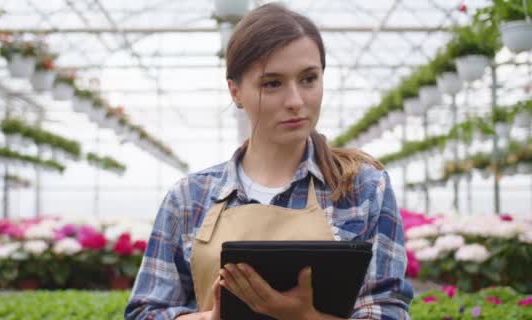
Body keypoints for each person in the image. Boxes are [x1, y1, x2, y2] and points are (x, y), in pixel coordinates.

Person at [124, 3, 413, 320]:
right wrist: (211, 318)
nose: (295, 101)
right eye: (272, 83)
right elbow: (144, 312)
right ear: (235, 92)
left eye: (308, 79)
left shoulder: (362, 189)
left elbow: (387, 310)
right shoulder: (189, 198)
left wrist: (304, 317)